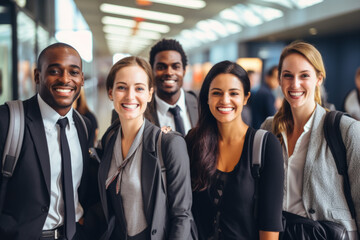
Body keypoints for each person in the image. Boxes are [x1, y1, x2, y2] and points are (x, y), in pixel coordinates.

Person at [261, 41, 360, 239]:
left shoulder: (346, 130)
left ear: (319, 79)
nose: (294, 84)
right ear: (279, 79)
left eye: (304, 75)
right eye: (287, 75)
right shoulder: (269, 129)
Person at [0, 43, 99, 240]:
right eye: (54, 71)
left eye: (73, 72)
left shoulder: (83, 126)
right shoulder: (7, 120)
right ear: (37, 76)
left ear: (81, 80)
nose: (65, 79)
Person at [98, 56, 194, 239]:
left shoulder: (169, 144)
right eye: (121, 87)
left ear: (150, 94)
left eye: (139, 88)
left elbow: (182, 216)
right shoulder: (109, 139)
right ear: (110, 92)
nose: (130, 96)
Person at [186, 60, 284, 240]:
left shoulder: (265, 146)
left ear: (246, 98)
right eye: (216, 93)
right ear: (207, 97)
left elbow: (269, 225)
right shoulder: (193, 141)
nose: (224, 100)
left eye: (233, 93)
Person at [148, 38, 198, 136]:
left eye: (175, 67)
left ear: (184, 71)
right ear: (151, 71)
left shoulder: (202, 104)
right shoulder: (141, 111)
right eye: (161, 67)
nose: (169, 72)